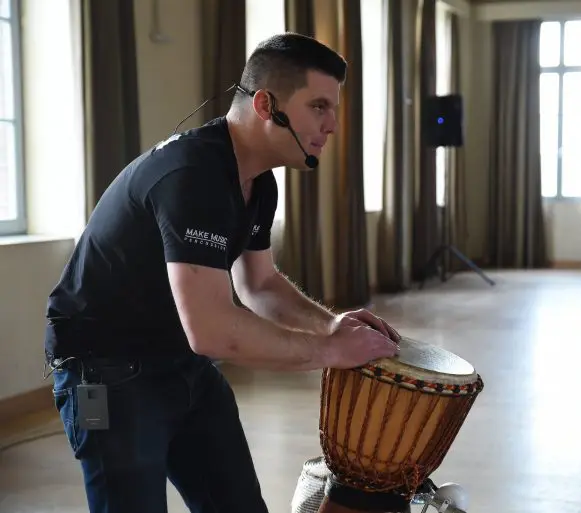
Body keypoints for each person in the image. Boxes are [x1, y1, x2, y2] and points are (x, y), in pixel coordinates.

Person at [44, 33, 400, 513]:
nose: (332, 125)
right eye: (319, 106)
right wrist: (330, 351)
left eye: (332, 109)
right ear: (266, 105)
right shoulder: (192, 175)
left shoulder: (258, 181)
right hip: (105, 370)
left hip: (180, 359)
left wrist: (330, 325)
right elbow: (211, 330)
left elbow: (260, 284)